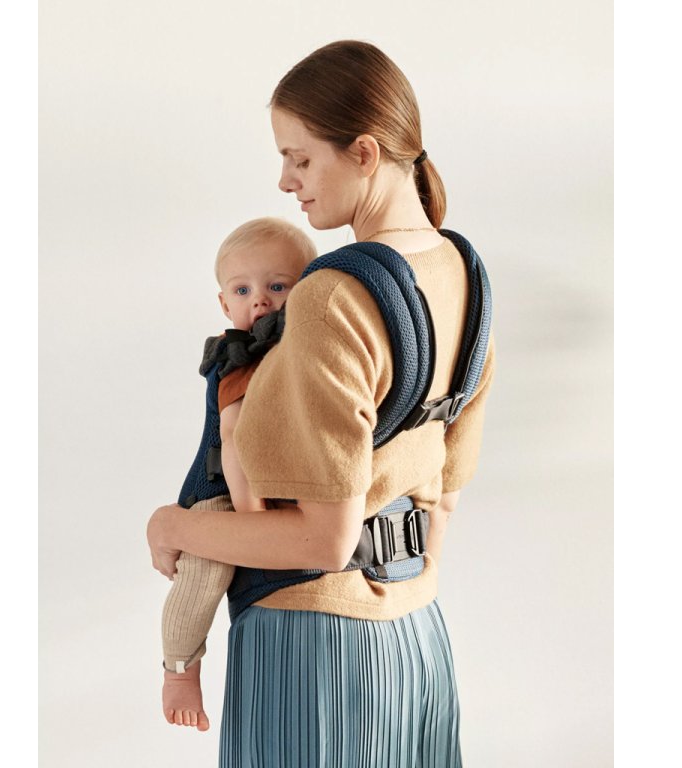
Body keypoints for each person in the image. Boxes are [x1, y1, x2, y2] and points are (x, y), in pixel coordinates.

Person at [147, 40, 495, 767]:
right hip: (419, 639)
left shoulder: (331, 296)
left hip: (313, 649)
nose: (286, 182)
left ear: (364, 153)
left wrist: (172, 523)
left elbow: (323, 542)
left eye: (300, 159)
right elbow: (444, 499)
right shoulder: (464, 271)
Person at [161, 217, 317, 732]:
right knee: (205, 576)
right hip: (220, 491)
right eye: (243, 290)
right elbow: (236, 441)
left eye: (278, 286)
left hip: (261, 483)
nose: (261, 301)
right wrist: (252, 520)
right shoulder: (240, 359)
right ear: (225, 304)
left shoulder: (295, 353)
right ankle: (179, 669)